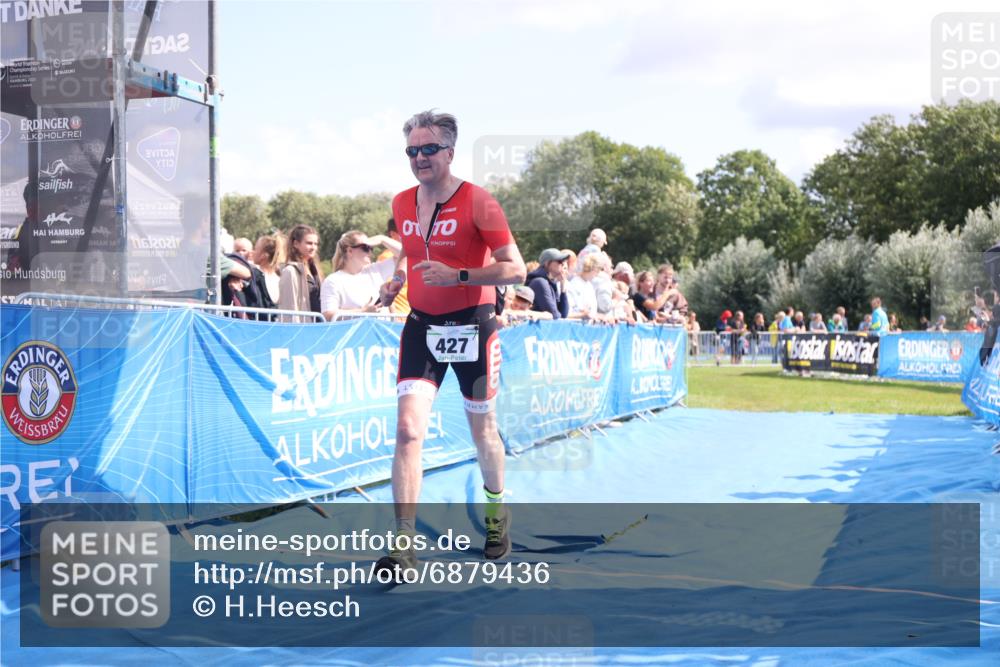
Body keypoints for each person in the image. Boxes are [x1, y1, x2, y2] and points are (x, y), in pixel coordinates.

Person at [377, 110, 526, 573]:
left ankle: (496, 513)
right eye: (411, 150)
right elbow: (408, 243)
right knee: (407, 431)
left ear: (449, 153)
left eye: (428, 149)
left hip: (472, 324)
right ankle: (404, 544)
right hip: (422, 326)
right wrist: (399, 277)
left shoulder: (479, 202)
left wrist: (459, 274)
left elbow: (516, 268)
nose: (419, 158)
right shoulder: (402, 202)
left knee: (483, 431)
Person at [320, 230, 400, 321]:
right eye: (365, 248)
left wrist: (382, 239)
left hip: (381, 333)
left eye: (371, 248)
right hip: (354, 334)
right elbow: (328, 314)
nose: (370, 252)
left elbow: (406, 255)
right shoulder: (333, 280)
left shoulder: (376, 270)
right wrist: (363, 312)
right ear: (350, 251)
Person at [278, 224, 323, 321]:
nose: (313, 247)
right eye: (309, 243)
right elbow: (289, 307)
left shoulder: (314, 270)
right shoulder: (290, 271)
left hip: (318, 326)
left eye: (315, 244)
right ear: (296, 244)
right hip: (302, 329)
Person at [378, 218, 411, 315]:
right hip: (400, 315)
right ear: (393, 234)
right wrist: (394, 315)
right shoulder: (386, 256)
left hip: (412, 312)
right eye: (404, 232)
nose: (408, 235)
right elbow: (388, 288)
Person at [526, 249, 570, 319]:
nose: (562, 264)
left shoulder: (550, 283)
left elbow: (564, 314)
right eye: (559, 261)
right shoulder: (540, 283)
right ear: (547, 263)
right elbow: (555, 315)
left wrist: (563, 288)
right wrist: (558, 314)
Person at [253, 233, 285, 305]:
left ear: (264, 256)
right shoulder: (279, 279)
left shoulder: (254, 275)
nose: (252, 252)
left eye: (255, 249)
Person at [566, 253, 601, 320]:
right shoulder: (574, 284)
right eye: (597, 271)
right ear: (592, 269)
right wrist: (584, 313)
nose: (597, 274)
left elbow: (592, 310)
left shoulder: (589, 285)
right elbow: (574, 309)